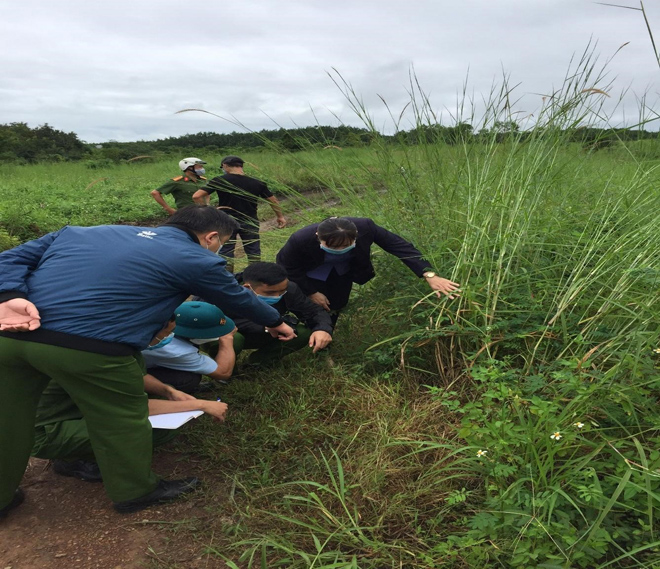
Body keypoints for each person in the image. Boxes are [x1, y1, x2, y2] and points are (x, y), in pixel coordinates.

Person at [0, 205, 295, 517]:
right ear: (211, 237)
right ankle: (135, 491)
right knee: (121, 421)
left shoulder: (80, 232)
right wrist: (276, 321)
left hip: (11, 336)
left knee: (8, 420)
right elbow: (237, 298)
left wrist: (8, 296)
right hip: (91, 349)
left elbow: (8, 259)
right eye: (220, 242)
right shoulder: (197, 258)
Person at [275, 216, 461, 325]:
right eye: (333, 247)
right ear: (318, 237)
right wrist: (312, 292)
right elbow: (287, 265)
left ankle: (325, 335)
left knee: (336, 304)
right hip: (310, 272)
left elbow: (399, 246)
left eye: (346, 246)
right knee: (306, 302)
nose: (340, 250)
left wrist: (428, 274)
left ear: (356, 237)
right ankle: (297, 327)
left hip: (343, 271)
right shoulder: (301, 238)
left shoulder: (365, 227)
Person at [227, 262, 333, 366]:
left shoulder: (289, 289)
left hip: (271, 330)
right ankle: (227, 368)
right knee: (233, 338)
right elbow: (219, 320)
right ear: (247, 288)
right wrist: (267, 326)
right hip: (234, 331)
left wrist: (323, 328)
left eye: (282, 291)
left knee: (302, 332)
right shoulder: (225, 291)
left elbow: (314, 311)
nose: (277, 296)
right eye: (270, 293)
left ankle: (258, 362)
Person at [192, 155, 286, 271]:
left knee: (227, 251)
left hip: (226, 221)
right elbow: (273, 201)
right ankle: (254, 278)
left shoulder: (220, 180)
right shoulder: (257, 183)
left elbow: (196, 196)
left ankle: (228, 278)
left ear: (225, 166)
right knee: (253, 251)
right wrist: (280, 216)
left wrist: (209, 211)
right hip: (250, 219)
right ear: (241, 166)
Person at [142, 301, 237, 394]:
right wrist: (226, 339)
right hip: (133, 372)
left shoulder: (158, 318)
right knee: (189, 379)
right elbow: (223, 373)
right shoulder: (177, 351)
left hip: (138, 361)